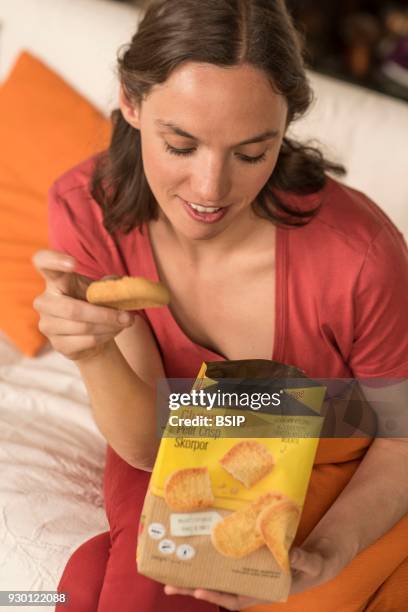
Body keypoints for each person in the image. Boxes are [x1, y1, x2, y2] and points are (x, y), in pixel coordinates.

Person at [31, 0, 408, 610]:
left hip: (325, 456)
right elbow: (148, 446)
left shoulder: (357, 256)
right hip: (171, 439)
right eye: (180, 145)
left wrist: (331, 551)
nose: (210, 191)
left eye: (252, 154)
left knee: (89, 583)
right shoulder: (86, 208)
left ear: (287, 124)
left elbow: (401, 436)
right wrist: (93, 351)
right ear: (131, 102)